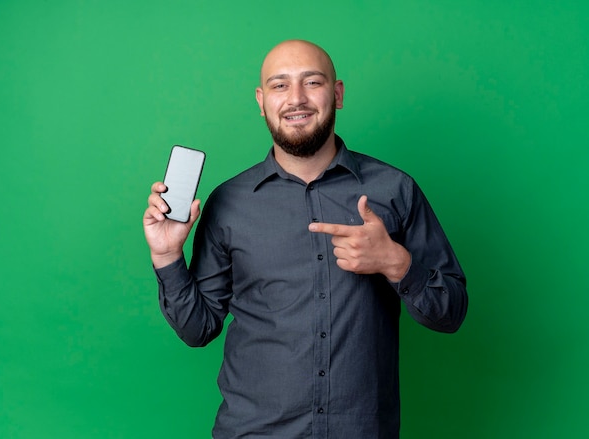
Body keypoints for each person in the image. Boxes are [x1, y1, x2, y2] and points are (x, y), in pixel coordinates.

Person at [143, 39, 468, 439]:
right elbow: (198, 330)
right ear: (262, 101)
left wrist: (396, 263)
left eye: (312, 82)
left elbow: (451, 313)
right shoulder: (228, 203)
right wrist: (167, 255)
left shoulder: (394, 189)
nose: (296, 99)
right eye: (280, 86)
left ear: (337, 93)